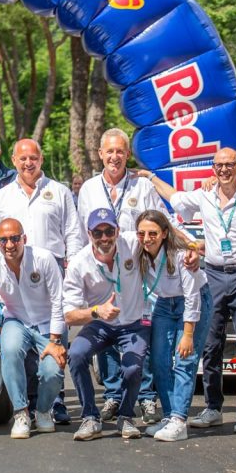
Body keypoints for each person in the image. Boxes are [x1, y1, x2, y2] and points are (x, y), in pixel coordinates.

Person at [139, 147, 236, 433]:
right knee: (211, 346)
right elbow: (175, 199)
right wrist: (151, 177)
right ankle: (213, 407)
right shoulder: (205, 195)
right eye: (218, 166)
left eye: (229, 165)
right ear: (212, 169)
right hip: (212, 273)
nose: (223, 170)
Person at [0, 138, 81, 423]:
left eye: (33, 158)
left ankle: (55, 402)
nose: (28, 163)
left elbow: (73, 232)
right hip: (14, 276)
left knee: (55, 341)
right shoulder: (2, 196)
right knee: (18, 344)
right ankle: (25, 406)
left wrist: (72, 267)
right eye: (22, 158)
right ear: (13, 161)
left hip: (51, 275)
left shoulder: (59, 192)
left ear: (41, 159)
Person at [77, 128, 166, 423]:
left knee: (137, 331)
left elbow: (156, 224)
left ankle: (147, 396)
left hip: (136, 267)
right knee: (105, 325)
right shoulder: (89, 188)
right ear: (100, 154)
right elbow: (81, 231)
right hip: (102, 265)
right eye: (109, 151)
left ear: (127, 154)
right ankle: (113, 396)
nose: (114, 157)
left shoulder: (141, 186)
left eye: (120, 151)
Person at [0, 219, 67, 439]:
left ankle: (43, 411)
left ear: (24, 239)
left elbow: (58, 301)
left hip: (48, 324)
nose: (9, 245)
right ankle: (21, 412)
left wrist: (55, 341)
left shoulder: (44, 259)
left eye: (15, 238)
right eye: (3, 240)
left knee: (53, 371)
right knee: (10, 350)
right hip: (16, 320)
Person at [64, 208, 150, 441]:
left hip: (133, 323)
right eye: (98, 232)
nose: (104, 238)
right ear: (89, 233)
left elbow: (163, 234)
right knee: (77, 354)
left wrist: (192, 250)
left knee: (132, 367)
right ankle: (90, 417)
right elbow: (69, 316)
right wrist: (96, 311)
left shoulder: (133, 242)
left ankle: (125, 416)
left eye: (109, 231)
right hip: (100, 324)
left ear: (118, 231)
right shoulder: (79, 263)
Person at [132, 210, 211, 442]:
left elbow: (192, 297)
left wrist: (187, 334)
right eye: (142, 233)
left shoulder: (180, 256)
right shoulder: (140, 254)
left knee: (185, 359)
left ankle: (179, 420)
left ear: (165, 233)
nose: (147, 238)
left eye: (153, 233)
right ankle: (168, 415)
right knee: (159, 360)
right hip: (165, 304)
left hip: (193, 301)